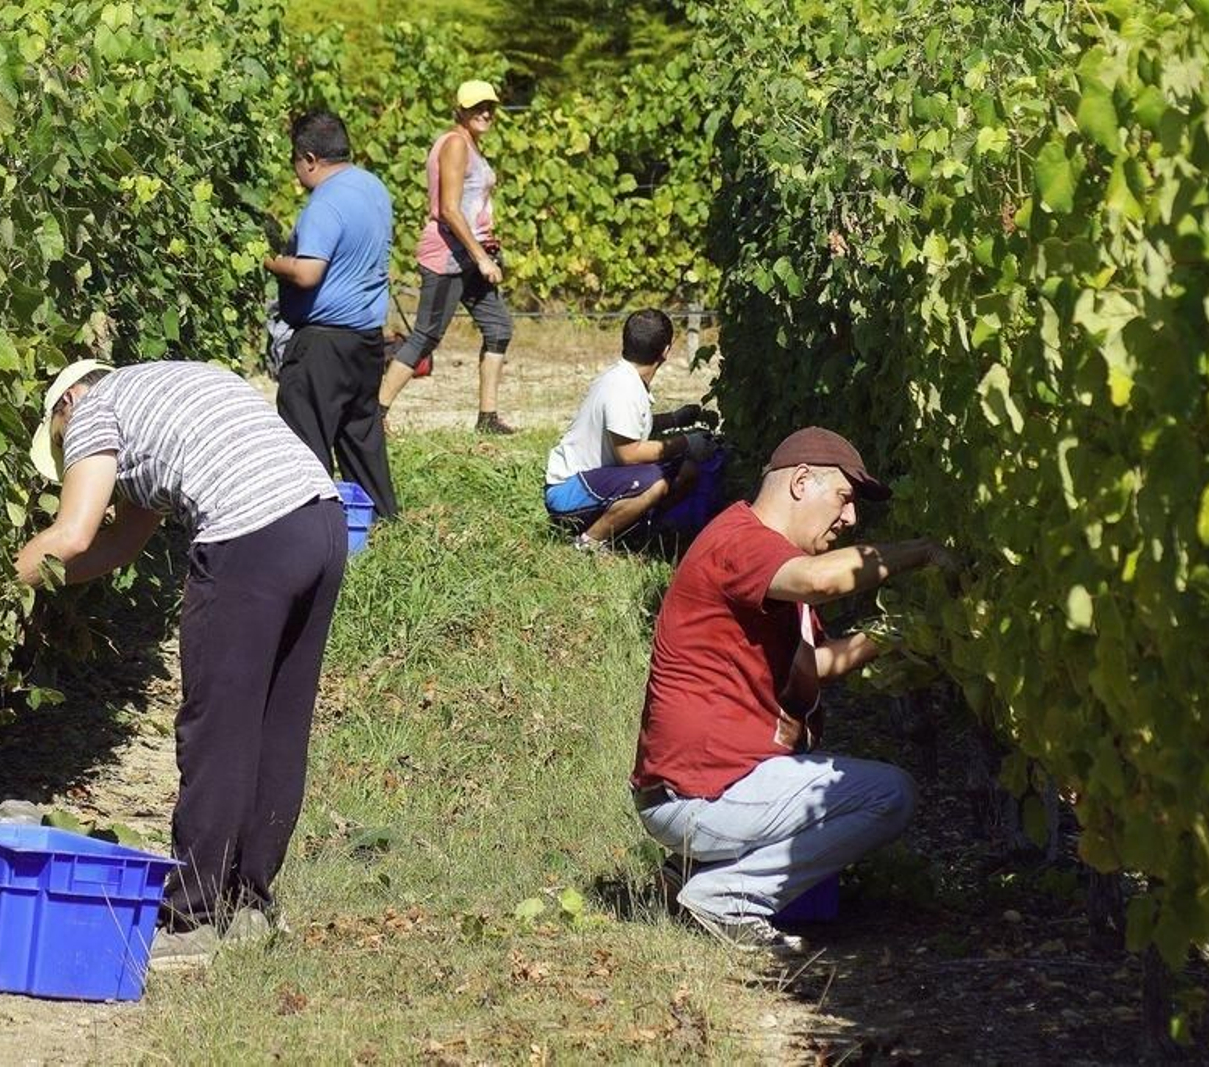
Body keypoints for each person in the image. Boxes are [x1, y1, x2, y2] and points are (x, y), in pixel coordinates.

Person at [16, 358, 348, 968]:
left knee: (216, 729)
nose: (72, 458)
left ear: (67, 404)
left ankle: (191, 918)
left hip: (250, 534)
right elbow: (120, 544)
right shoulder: (162, 392)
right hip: (322, 521)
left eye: (62, 449)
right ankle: (249, 905)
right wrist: (51, 584)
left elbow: (73, 536)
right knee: (278, 723)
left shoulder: (91, 411)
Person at [631, 426, 958, 950]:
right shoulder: (742, 541)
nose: (850, 518)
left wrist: (892, 634)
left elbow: (812, 666)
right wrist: (919, 552)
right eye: (845, 498)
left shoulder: (773, 568)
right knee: (889, 794)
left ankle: (689, 871)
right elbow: (820, 580)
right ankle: (728, 896)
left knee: (860, 786)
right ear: (801, 482)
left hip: (707, 790)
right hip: (700, 794)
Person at [267, 110, 398, 518]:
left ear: (309, 159)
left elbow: (308, 273)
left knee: (304, 439)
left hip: (322, 345)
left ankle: (315, 524)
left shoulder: (325, 202)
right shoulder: (373, 188)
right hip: (366, 340)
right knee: (361, 435)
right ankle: (382, 518)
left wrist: (269, 260)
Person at [378, 80, 516, 435]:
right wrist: (481, 258)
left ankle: (487, 419)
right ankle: (375, 414)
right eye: (477, 107)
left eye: (490, 107)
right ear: (461, 110)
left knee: (498, 328)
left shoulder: (471, 145)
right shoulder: (455, 144)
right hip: (449, 255)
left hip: (470, 253)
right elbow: (450, 210)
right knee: (426, 336)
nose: (485, 113)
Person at [544, 309, 714, 550]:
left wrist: (675, 419)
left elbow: (631, 428)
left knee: (687, 470)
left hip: (594, 481)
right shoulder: (623, 389)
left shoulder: (625, 377)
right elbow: (629, 454)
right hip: (568, 492)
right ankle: (588, 543)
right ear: (666, 351)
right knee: (654, 482)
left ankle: (637, 531)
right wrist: (686, 442)